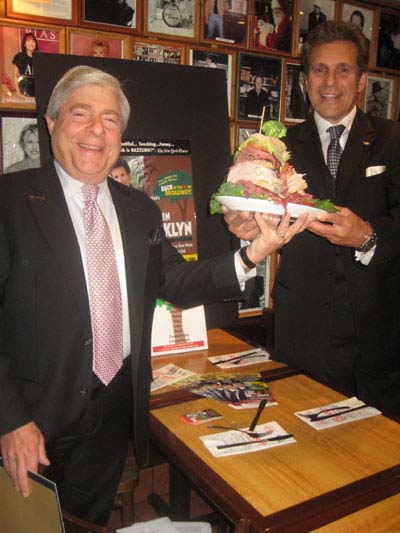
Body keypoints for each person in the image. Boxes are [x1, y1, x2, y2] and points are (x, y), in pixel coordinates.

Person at [0, 65, 309, 526]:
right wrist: (9, 420)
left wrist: (255, 252)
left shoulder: (140, 209)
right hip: (30, 416)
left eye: (109, 119)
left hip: (111, 409)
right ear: (51, 124)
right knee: (23, 524)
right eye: (80, 114)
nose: (95, 131)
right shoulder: (10, 201)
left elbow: (175, 282)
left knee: (87, 520)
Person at [224, 21, 400, 415]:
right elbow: (254, 215)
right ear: (305, 81)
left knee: (376, 457)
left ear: (361, 80)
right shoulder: (276, 147)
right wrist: (243, 226)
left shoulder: (393, 140)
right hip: (302, 330)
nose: (330, 81)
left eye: (343, 69)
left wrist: (369, 236)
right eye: (320, 69)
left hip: (377, 334)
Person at [12, 32, 39, 98]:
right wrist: (18, 93)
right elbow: (15, 76)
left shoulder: (39, 58)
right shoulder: (19, 57)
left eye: (33, 41)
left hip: (37, 93)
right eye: (28, 41)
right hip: (23, 91)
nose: (31, 43)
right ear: (24, 44)